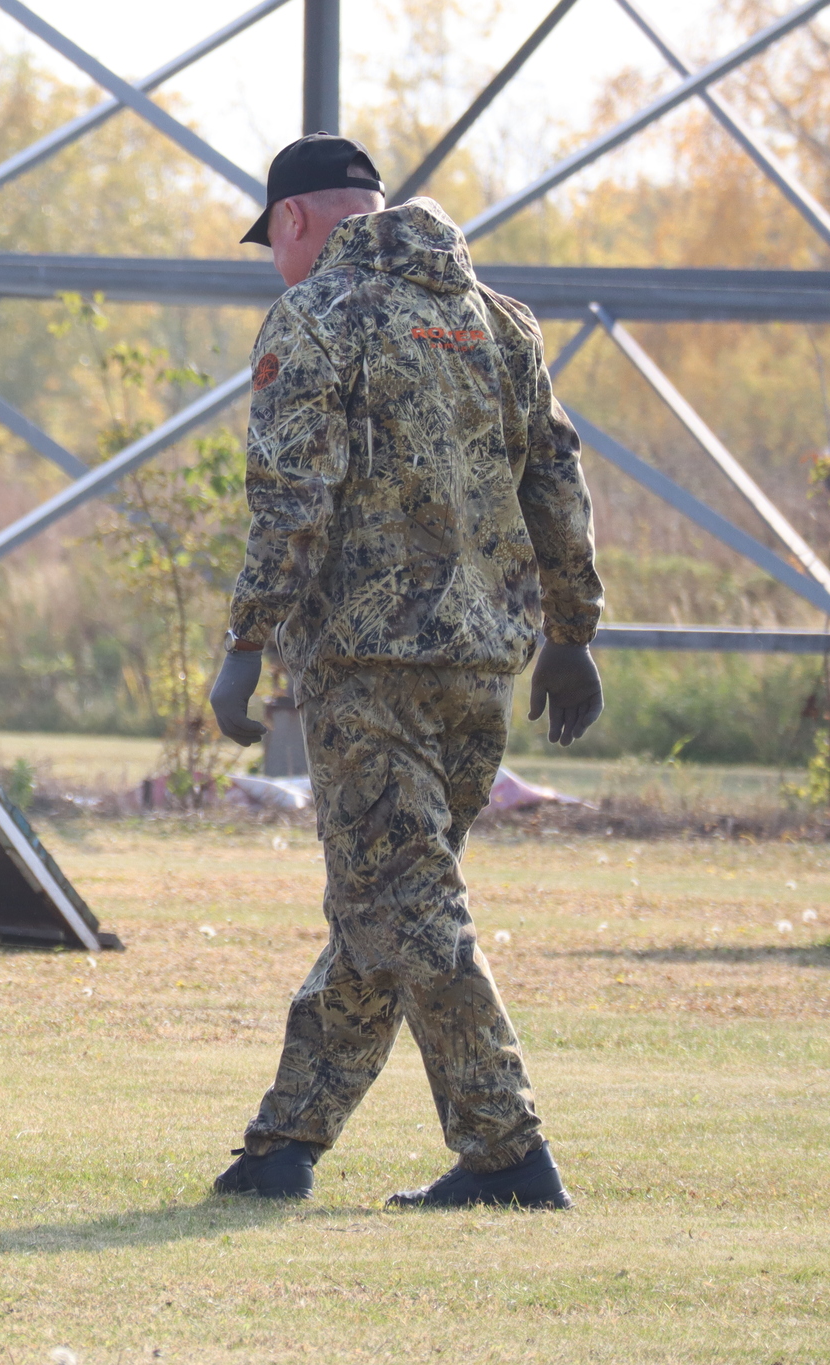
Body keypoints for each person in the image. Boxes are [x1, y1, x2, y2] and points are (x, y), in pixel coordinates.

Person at [206, 134, 605, 1209]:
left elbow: (290, 495)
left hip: (364, 667)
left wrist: (243, 646)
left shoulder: (315, 316)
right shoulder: (497, 320)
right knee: (387, 905)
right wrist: (570, 631)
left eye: (270, 241)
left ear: (292, 220)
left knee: (409, 905)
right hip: (481, 666)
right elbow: (555, 480)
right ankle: (280, 1148)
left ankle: (506, 1153)